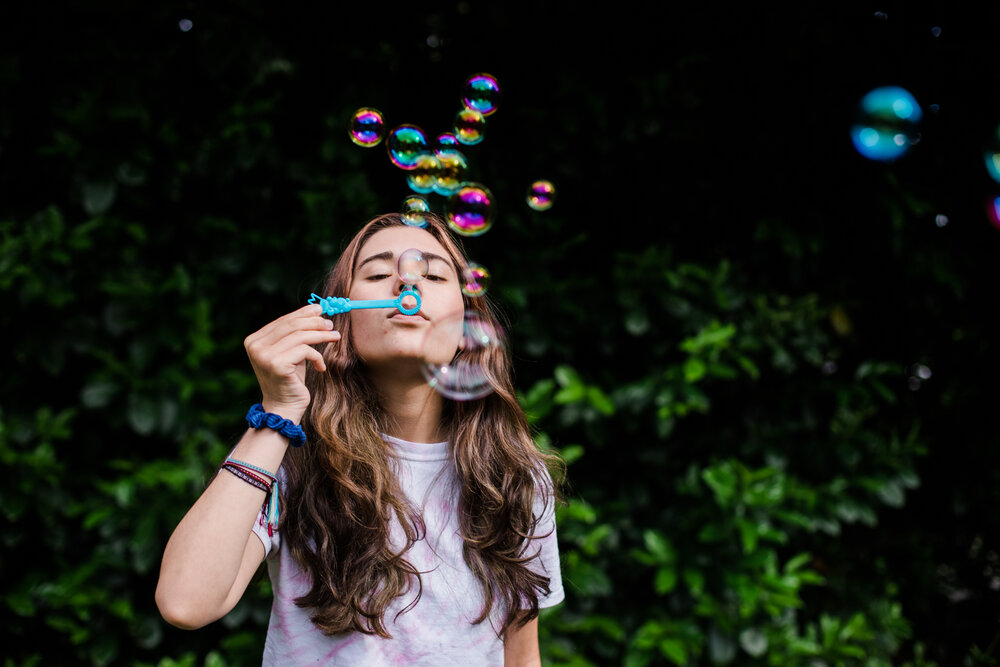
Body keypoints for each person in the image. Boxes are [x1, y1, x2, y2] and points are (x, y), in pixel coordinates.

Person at [155, 212, 565, 665]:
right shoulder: (290, 456)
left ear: (467, 322)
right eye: (376, 273)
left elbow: (521, 656)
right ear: (340, 317)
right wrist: (279, 411)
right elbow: (185, 604)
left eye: (432, 274)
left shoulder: (512, 475)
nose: (406, 285)